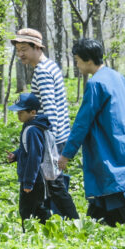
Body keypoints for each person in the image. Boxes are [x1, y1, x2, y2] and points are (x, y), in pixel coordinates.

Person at [58, 37, 125, 226]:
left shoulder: (95, 84)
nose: (77, 65)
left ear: (88, 60)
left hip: (109, 154)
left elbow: (82, 123)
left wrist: (66, 154)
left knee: (123, 208)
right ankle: (91, 230)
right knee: (104, 206)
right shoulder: (117, 77)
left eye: (77, 60)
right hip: (124, 147)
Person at [9, 27, 76, 215]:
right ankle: (55, 221)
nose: (20, 54)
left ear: (37, 47)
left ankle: (73, 222)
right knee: (52, 185)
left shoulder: (42, 72)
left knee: (53, 186)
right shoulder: (50, 66)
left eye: (24, 49)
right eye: (18, 50)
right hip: (58, 136)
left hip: (52, 138)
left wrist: (47, 144)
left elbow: (50, 109)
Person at [5, 91, 79, 223]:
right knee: (38, 208)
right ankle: (50, 226)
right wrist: (16, 155)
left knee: (27, 210)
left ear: (33, 112)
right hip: (37, 177)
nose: (18, 115)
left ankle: (32, 231)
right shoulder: (32, 126)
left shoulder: (33, 130)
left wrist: (29, 182)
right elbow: (27, 149)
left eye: (21, 112)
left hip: (34, 178)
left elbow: (34, 156)